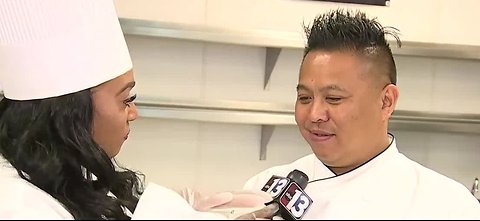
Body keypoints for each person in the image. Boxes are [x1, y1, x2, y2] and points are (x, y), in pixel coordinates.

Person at [0, 0, 277, 219]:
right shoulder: (20, 207)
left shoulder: (57, 169)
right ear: (71, 112)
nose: (134, 113)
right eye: (126, 99)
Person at [243, 9, 480, 219]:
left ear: (386, 102)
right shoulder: (263, 188)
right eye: (304, 98)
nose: (314, 114)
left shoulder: (447, 206)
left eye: (334, 98)